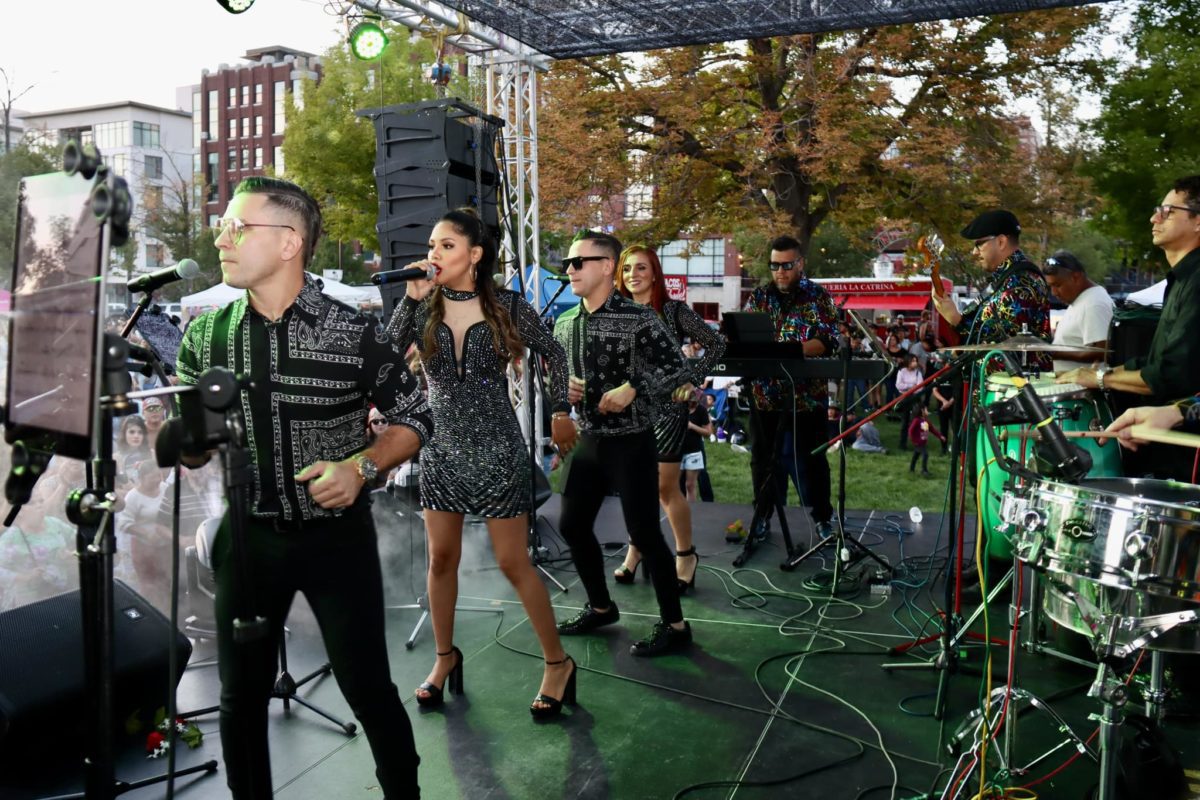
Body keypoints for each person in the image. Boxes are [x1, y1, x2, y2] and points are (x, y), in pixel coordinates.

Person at [177, 177, 428, 798]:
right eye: (223, 225)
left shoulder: (355, 332)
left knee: (368, 687)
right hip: (245, 537)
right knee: (239, 699)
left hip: (335, 541)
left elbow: (416, 419)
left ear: (289, 242)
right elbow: (194, 438)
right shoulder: (204, 337)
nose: (222, 237)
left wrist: (362, 468)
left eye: (239, 227)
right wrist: (189, 439)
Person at [387, 207, 580, 718]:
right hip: (442, 449)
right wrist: (410, 302)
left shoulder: (508, 307)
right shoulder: (423, 307)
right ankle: (445, 657)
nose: (434, 254)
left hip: (497, 448)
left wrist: (560, 408)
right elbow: (383, 358)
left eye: (446, 245)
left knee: (514, 562)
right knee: (440, 559)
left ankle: (557, 663)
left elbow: (553, 354)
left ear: (474, 255)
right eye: (432, 245)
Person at [552, 229, 694, 656]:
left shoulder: (640, 318)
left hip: (632, 441)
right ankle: (600, 606)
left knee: (645, 533)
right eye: (568, 264)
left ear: (607, 267)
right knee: (572, 525)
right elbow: (556, 378)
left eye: (579, 262)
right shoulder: (563, 322)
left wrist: (635, 386)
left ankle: (676, 624)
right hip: (589, 439)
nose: (571, 270)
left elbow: (678, 369)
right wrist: (565, 397)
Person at [1059, 176, 1200, 479]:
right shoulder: (1181, 280)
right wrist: (1097, 376)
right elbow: (1156, 364)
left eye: (1167, 211)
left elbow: (1171, 374)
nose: (1154, 217)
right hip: (1170, 439)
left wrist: (1098, 379)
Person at [612, 244, 725, 592]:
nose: (634, 275)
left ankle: (685, 555)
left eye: (641, 268)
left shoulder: (673, 311)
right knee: (634, 486)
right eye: (628, 269)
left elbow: (717, 344)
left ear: (655, 273)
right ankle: (638, 549)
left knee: (663, 486)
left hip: (667, 409)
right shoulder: (616, 313)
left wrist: (692, 377)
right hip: (630, 409)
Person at [742, 235, 840, 540]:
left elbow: (827, 341)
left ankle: (822, 518)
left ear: (800, 263)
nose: (780, 271)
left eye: (786, 265)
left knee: (813, 459)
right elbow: (744, 335)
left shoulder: (818, 297)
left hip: (807, 397)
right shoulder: (759, 298)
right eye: (775, 265)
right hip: (765, 395)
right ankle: (762, 515)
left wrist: (791, 350)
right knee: (762, 459)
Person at [930, 209, 1051, 371]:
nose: (974, 252)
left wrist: (956, 320)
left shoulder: (1022, 283)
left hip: (1014, 391)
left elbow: (1001, 349)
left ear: (1001, 242)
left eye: (979, 244)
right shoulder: (1006, 280)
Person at [1042, 250, 1113, 375]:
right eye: (1050, 287)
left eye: (1057, 285)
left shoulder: (1094, 303)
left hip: (1080, 389)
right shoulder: (1082, 299)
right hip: (1068, 383)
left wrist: (1053, 353)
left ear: (1076, 277)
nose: (1053, 293)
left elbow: (1102, 352)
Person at [680, 388, 714, 503]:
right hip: (678, 450)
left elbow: (708, 432)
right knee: (679, 483)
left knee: (698, 478)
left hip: (695, 449)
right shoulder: (678, 408)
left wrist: (691, 426)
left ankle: (708, 502)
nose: (691, 403)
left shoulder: (701, 409)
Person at [895, 354, 924, 451]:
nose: (915, 363)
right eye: (913, 361)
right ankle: (902, 444)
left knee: (917, 421)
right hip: (905, 398)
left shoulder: (918, 373)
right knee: (905, 421)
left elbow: (920, 387)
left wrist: (909, 388)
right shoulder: (901, 372)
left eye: (916, 361)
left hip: (915, 398)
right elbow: (899, 385)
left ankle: (919, 442)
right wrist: (911, 385)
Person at [907, 405, 946, 476]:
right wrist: (913, 439)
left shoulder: (926, 421)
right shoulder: (916, 420)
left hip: (923, 442)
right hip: (918, 443)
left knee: (916, 455)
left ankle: (911, 469)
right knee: (925, 454)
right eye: (926, 410)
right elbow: (910, 430)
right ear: (921, 411)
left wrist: (940, 436)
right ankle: (924, 470)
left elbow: (933, 430)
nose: (927, 411)